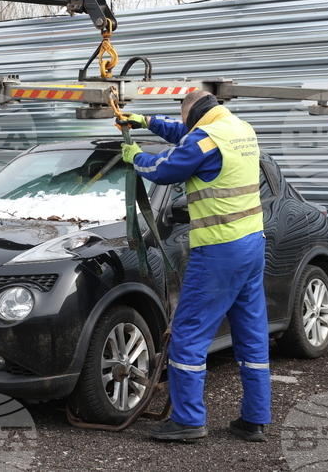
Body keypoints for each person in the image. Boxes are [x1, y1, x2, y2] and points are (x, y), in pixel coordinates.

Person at [122, 90, 271, 442]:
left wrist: (135, 156)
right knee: (251, 337)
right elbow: (187, 135)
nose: (186, 127)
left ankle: (188, 421)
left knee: (189, 333)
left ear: (196, 117)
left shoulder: (205, 140)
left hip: (219, 249)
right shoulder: (238, 128)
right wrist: (147, 122)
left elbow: (164, 169)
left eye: (187, 121)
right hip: (251, 245)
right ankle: (254, 420)